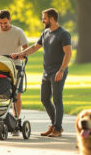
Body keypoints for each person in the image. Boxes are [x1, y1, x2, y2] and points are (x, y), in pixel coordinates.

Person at [11, 8, 72, 138]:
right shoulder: (45, 33)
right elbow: (35, 47)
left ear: (52, 18)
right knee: (44, 99)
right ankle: (55, 124)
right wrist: (21, 54)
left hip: (58, 71)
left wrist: (61, 70)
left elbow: (68, 53)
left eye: (44, 18)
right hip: (46, 72)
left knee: (57, 100)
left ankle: (58, 128)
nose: (42, 20)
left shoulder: (64, 34)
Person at [0, 9, 29, 126]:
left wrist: (20, 54)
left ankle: (16, 120)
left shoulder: (18, 32)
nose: (3, 25)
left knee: (16, 95)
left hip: (15, 66)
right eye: (0, 23)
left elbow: (26, 47)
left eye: (5, 23)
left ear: (9, 19)